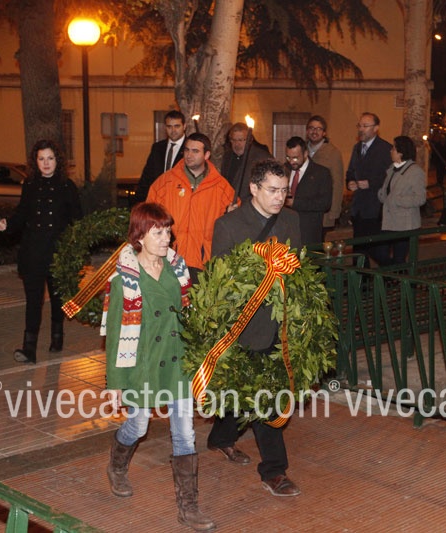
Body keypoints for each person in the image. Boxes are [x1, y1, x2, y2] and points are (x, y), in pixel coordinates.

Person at [102, 202, 214, 532]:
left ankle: (188, 507)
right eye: (158, 232)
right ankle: (117, 466)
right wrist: (115, 383)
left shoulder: (178, 270)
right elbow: (116, 335)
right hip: (143, 366)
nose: (167, 238)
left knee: (185, 434)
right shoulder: (123, 281)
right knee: (138, 426)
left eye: (168, 231)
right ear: (140, 236)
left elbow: (190, 316)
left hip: (177, 363)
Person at [207, 159, 302, 498]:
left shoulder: (291, 220)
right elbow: (220, 282)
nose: (279, 197)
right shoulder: (228, 225)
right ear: (253, 188)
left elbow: (299, 269)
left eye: (284, 190)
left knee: (245, 393)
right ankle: (274, 471)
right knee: (264, 398)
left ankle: (221, 437)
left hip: (282, 324)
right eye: (272, 190)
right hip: (247, 328)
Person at [0, 139, 81, 364]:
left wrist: (75, 250)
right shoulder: (30, 185)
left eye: (50, 158)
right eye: (41, 158)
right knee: (33, 301)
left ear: (57, 161)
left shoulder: (67, 186)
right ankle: (29, 349)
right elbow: (22, 213)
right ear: (35, 161)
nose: (46, 163)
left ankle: (57, 336)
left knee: (57, 299)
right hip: (33, 252)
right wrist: (8, 225)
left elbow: (77, 221)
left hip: (58, 253)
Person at [146, 133, 235, 281]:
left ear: (207, 155)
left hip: (204, 262)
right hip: (169, 259)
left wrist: (231, 213)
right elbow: (147, 218)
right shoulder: (165, 182)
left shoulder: (221, 187)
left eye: (195, 151)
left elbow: (234, 221)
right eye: (187, 150)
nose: (189, 155)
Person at [346, 112, 392, 265]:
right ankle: (361, 278)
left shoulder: (386, 149)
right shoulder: (357, 148)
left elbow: (390, 177)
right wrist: (350, 182)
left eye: (365, 126)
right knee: (359, 253)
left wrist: (371, 183)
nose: (361, 129)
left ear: (376, 128)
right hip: (359, 209)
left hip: (376, 209)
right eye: (359, 126)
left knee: (378, 252)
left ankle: (396, 274)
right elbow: (350, 171)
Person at [376, 136, 426, 265]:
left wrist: (397, 200)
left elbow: (420, 198)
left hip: (404, 223)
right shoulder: (391, 169)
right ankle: (393, 273)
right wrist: (381, 195)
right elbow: (387, 190)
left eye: (393, 148)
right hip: (389, 220)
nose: (391, 151)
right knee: (380, 252)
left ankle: (400, 276)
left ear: (401, 152)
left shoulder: (415, 171)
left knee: (399, 258)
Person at [284, 136, 332, 245]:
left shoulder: (321, 173)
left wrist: (295, 203)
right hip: (286, 230)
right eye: (288, 157)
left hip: (308, 232)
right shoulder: (284, 169)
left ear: (305, 154)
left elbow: (325, 203)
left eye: (295, 158)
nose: (291, 162)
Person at [136, 110, 187, 205]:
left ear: (184, 126)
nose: (173, 130)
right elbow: (147, 177)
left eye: (177, 126)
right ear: (165, 127)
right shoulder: (157, 147)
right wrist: (141, 203)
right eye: (169, 127)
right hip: (157, 201)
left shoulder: (190, 148)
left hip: (180, 201)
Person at [305, 115, 345, 234]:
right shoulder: (301, 150)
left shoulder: (333, 153)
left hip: (323, 210)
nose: (314, 131)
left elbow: (337, 183)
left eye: (318, 129)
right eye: (311, 128)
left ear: (324, 133)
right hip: (303, 208)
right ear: (307, 131)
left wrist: (334, 211)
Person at [220, 122, 272, 205]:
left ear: (249, 140)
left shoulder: (261, 157)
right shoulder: (227, 157)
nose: (237, 144)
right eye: (234, 140)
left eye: (241, 140)